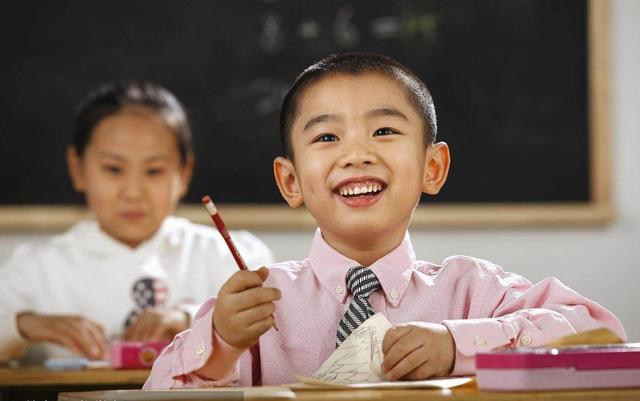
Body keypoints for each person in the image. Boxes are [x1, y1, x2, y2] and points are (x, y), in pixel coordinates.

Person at [144, 53, 626, 388]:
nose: (357, 154)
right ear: (290, 181)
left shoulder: (472, 291)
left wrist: (456, 345)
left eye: (384, 130)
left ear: (432, 168)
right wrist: (222, 345)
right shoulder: (252, 307)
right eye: (327, 137)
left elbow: (599, 331)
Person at [0, 82, 273, 364]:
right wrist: (25, 325)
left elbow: (276, 328)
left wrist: (191, 318)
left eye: (154, 171)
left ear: (184, 172)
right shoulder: (36, 268)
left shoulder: (223, 253)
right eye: (113, 169)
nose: (133, 192)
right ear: (77, 168)